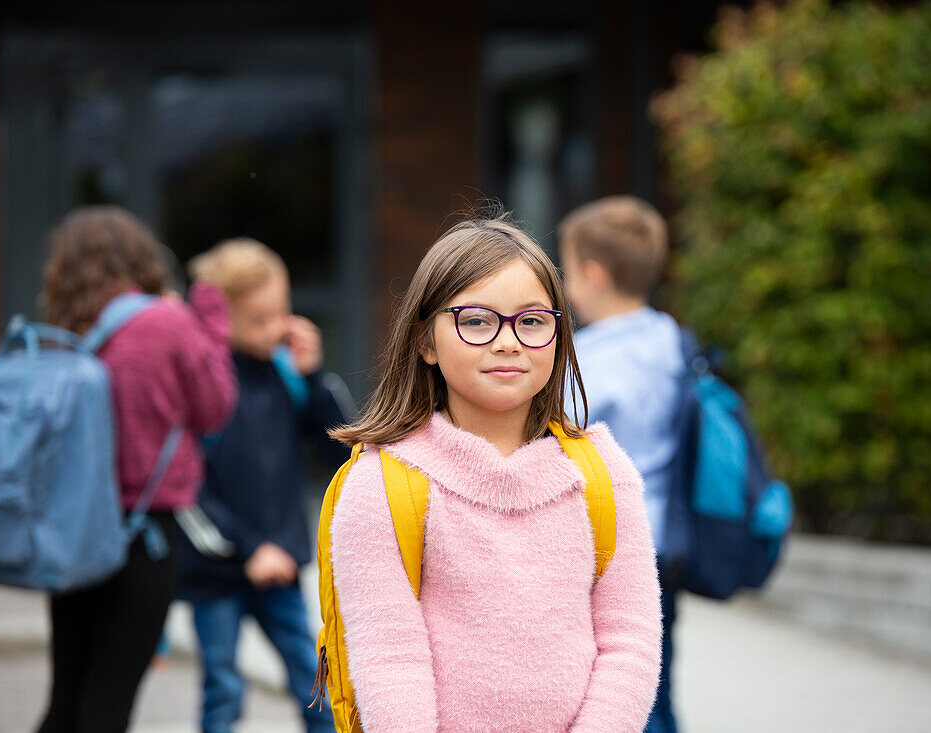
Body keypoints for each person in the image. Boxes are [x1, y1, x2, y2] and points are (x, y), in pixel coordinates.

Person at [325, 215, 662, 732]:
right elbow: (389, 660)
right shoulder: (381, 488)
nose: (509, 342)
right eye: (477, 320)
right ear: (426, 342)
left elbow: (630, 643)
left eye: (531, 321)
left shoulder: (603, 474)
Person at [37, 206, 237, 733]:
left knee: (66, 699)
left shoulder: (65, 329)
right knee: (107, 706)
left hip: (74, 530)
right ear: (140, 258)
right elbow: (215, 406)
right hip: (142, 535)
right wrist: (212, 320)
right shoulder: (166, 321)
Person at [178, 239, 347, 733]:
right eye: (258, 319)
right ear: (219, 316)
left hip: (282, 568)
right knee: (223, 691)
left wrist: (314, 378)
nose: (276, 328)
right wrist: (249, 549)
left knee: (315, 682)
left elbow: (341, 454)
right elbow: (188, 489)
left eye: (282, 312)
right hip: (217, 573)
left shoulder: (288, 375)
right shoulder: (204, 385)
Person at [558, 196, 686, 733]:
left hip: (604, 544)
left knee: (611, 681)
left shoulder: (586, 359)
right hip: (668, 537)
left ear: (593, 275)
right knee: (655, 675)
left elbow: (553, 442)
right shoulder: (673, 340)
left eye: (566, 272)